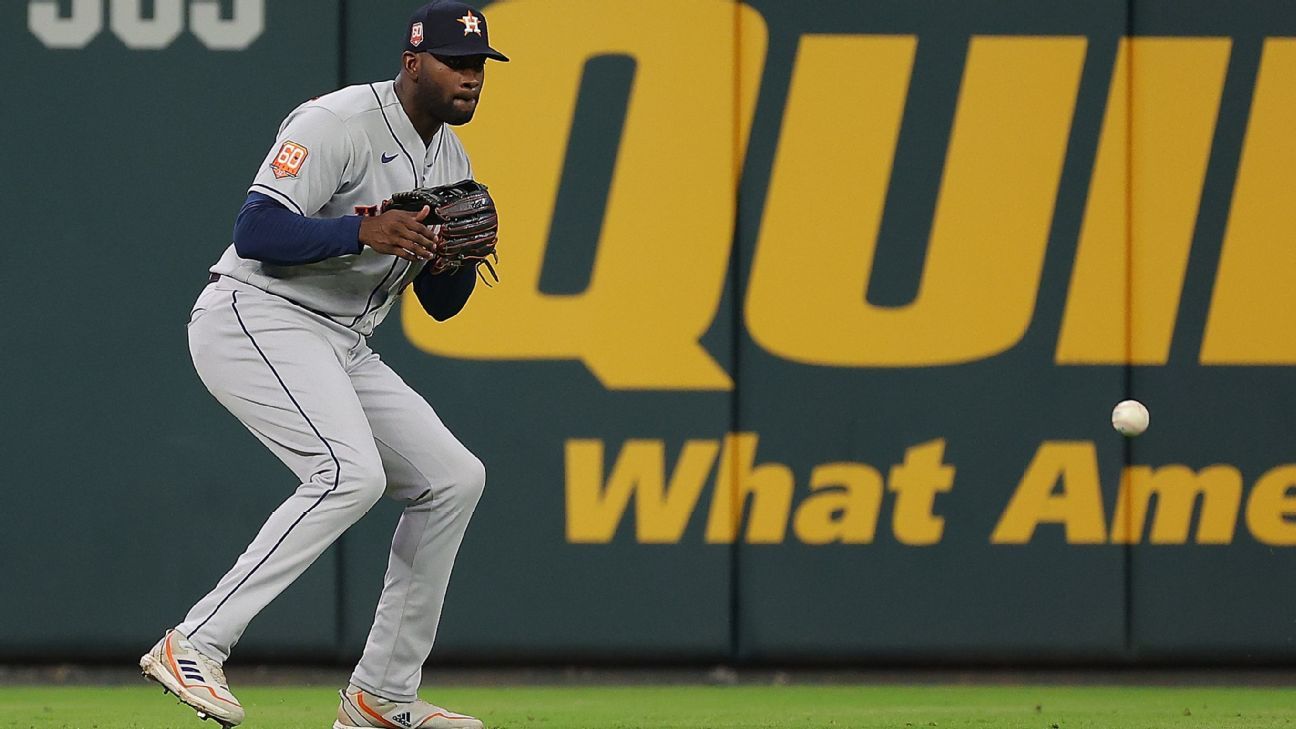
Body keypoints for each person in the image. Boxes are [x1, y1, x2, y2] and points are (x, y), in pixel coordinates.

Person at [138, 3, 507, 728]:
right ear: (412, 63)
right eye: (454, 63)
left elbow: (441, 305)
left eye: (477, 67)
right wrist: (361, 228)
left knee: (453, 478)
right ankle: (195, 642)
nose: (469, 79)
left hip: (341, 339)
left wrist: (455, 257)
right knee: (350, 471)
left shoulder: (451, 159)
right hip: (255, 314)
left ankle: (380, 696)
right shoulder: (336, 122)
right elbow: (255, 230)